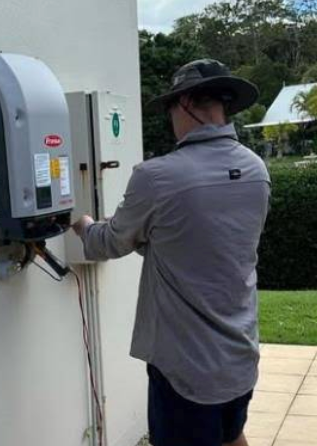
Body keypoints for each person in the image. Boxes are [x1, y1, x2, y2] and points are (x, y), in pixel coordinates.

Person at [72, 59, 271, 446]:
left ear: (187, 104)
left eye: (169, 109)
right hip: (240, 357)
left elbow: (107, 243)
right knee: (232, 436)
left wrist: (79, 221)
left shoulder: (158, 176)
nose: (169, 120)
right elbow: (207, 243)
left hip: (186, 371)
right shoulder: (256, 169)